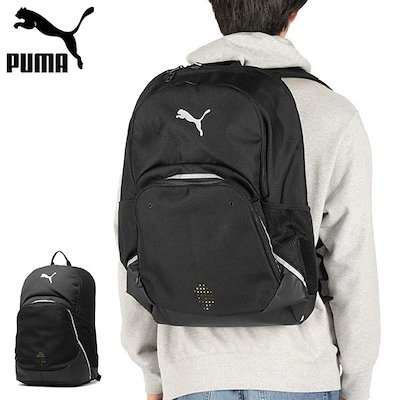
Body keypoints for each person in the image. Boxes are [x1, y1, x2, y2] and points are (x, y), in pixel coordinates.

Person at [117, 1, 380, 400]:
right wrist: (357, 384)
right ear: (292, 13)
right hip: (300, 373)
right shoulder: (332, 114)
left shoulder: (164, 108)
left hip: (192, 375)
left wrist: (152, 371)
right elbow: (351, 262)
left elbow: (134, 240)